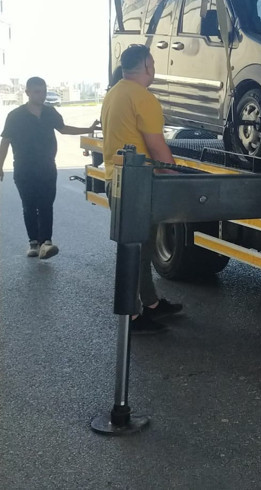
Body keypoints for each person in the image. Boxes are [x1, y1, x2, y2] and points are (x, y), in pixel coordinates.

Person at [101, 44, 182, 334]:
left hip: (118, 179)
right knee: (135, 251)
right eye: (154, 62)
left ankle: (150, 304)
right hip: (137, 184)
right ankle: (133, 317)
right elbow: (157, 149)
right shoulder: (143, 98)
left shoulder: (114, 93)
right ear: (147, 65)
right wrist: (177, 182)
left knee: (141, 248)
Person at [0, 77, 100, 259]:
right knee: (29, 206)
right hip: (24, 168)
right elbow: (5, 142)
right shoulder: (15, 116)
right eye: (37, 92)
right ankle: (33, 243)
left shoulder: (50, 112)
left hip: (47, 167)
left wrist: (88, 128)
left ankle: (46, 242)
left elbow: (63, 129)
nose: (42, 95)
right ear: (28, 92)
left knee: (46, 204)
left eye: (44, 91)